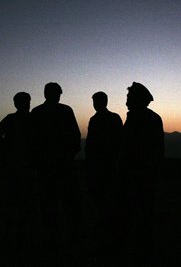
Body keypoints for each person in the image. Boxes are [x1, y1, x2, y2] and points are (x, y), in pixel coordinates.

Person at [30, 82, 82, 257]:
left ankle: (55, 238)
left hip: (47, 166)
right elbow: (75, 136)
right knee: (67, 203)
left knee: (50, 203)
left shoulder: (37, 112)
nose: (58, 96)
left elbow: (33, 141)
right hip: (62, 165)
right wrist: (70, 155)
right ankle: (69, 238)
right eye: (58, 93)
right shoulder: (65, 111)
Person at [117, 82, 164, 265]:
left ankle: (140, 252)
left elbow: (131, 148)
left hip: (136, 176)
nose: (126, 100)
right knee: (143, 215)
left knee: (136, 214)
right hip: (144, 175)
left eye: (129, 97)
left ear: (137, 99)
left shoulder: (138, 118)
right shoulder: (151, 118)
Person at [0, 92, 37, 263]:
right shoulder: (15, 119)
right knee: (16, 202)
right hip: (16, 167)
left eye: (27, 101)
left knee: (24, 203)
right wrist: (2, 156)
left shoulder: (29, 119)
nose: (27, 104)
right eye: (24, 101)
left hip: (26, 167)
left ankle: (19, 235)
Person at [84, 91, 123, 253]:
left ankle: (107, 224)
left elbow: (92, 143)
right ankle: (109, 223)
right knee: (106, 194)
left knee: (103, 194)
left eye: (96, 101)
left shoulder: (97, 120)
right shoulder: (113, 118)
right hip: (107, 163)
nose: (95, 104)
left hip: (104, 164)